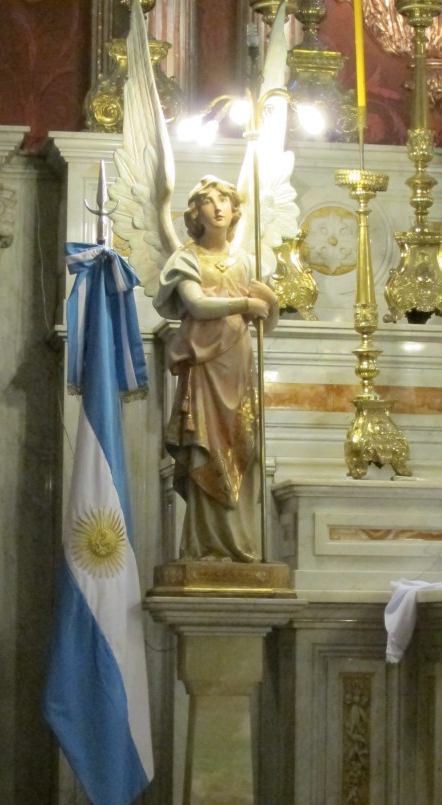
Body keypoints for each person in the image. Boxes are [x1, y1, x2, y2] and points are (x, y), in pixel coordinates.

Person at [153, 176, 279, 562]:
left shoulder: (246, 261)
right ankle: (205, 544)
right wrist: (244, 304)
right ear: (196, 213)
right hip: (205, 368)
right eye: (209, 201)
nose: (219, 206)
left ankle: (241, 543)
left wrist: (269, 303)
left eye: (225, 199)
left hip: (238, 364)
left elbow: (265, 323)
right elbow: (195, 305)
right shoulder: (186, 258)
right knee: (207, 448)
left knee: (243, 446)